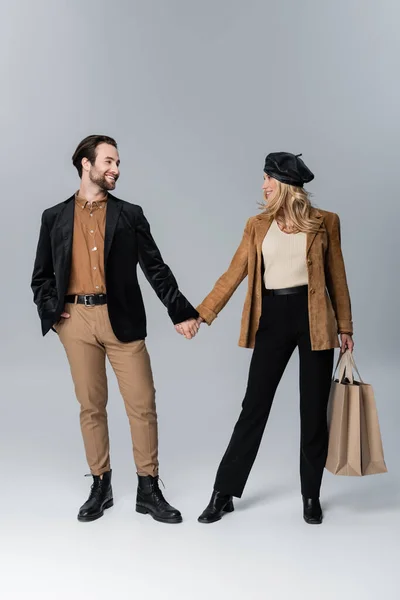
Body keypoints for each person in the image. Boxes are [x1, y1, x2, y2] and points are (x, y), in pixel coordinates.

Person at [31, 134, 199, 524]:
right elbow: (41, 276)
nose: (115, 170)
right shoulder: (54, 217)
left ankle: (148, 488)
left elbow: (155, 268)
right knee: (91, 406)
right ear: (86, 165)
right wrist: (53, 314)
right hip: (75, 321)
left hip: (121, 317)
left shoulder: (129, 214)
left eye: (118, 163)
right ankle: (100, 485)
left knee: (142, 404)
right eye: (108, 162)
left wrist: (181, 312)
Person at [191, 152, 354, 525]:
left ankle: (311, 496)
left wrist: (345, 327)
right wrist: (202, 314)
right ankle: (223, 493)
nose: (262, 186)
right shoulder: (256, 225)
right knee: (253, 408)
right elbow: (234, 273)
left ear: (285, 185)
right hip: (274, 318)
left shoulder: (325, 222)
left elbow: (337, 276)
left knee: (313, 413)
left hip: (315, 320)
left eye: (267, 179)